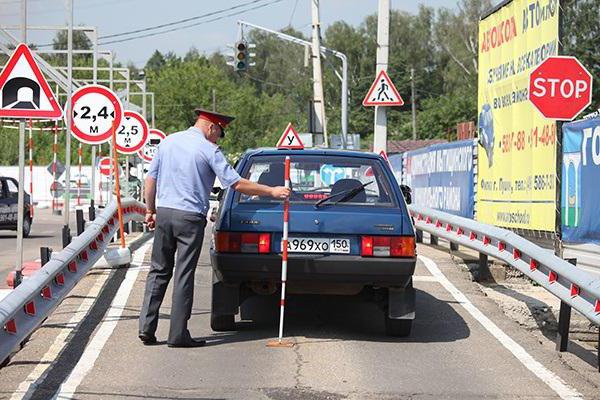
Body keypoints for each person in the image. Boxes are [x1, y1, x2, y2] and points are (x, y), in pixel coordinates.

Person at [139, 108, 290, 348]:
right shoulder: (209, 150)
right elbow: (236, 183)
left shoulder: (168, 142)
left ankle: (146, 328)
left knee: (158, 270)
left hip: (165, 213)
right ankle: (178, 335)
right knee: (183, 273)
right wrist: (272, 191)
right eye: (219, 133)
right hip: (189, 218)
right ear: (211, 127)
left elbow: (150, 179)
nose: (218, 138)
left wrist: (150, 211)